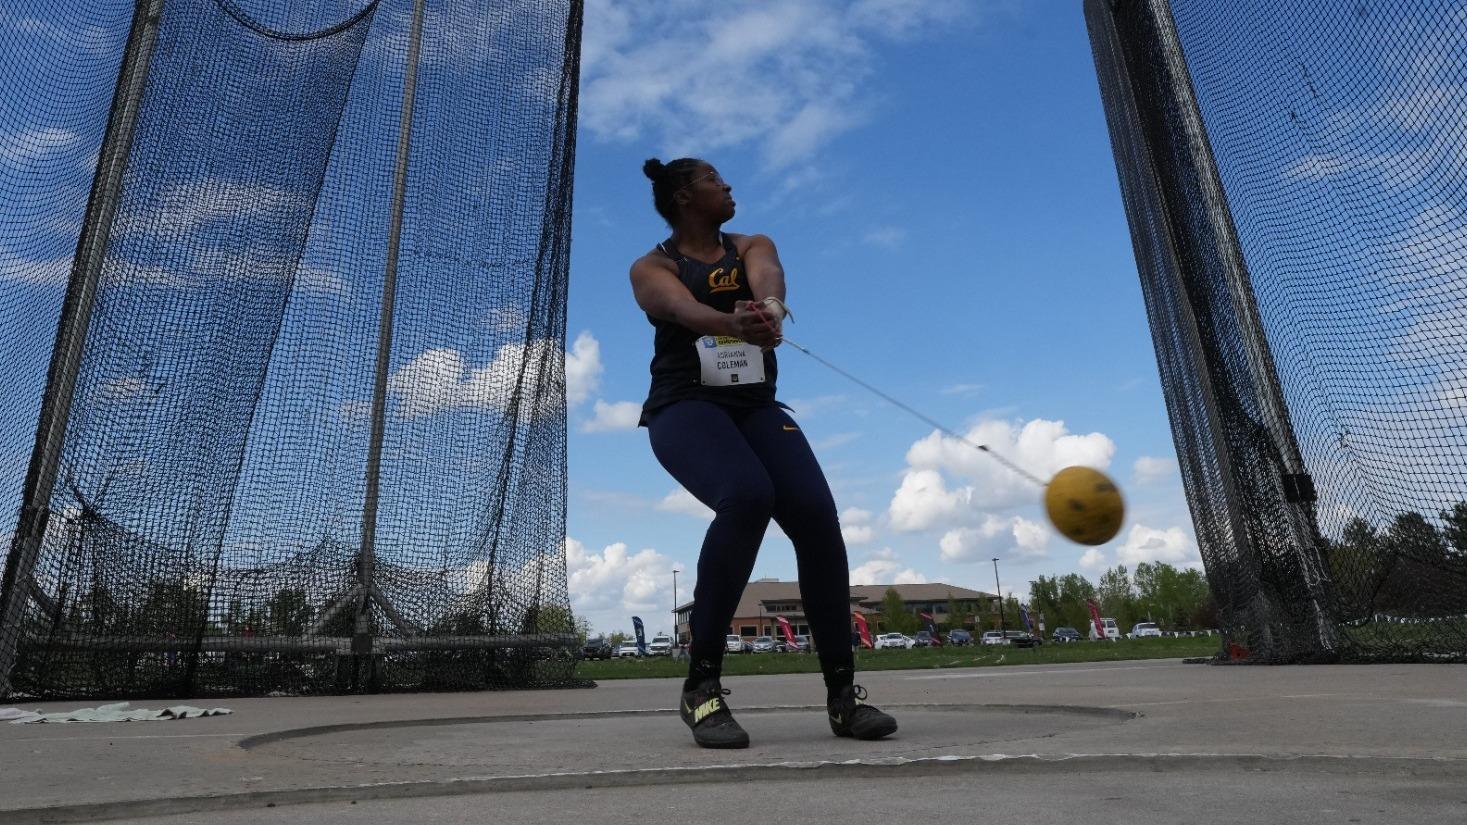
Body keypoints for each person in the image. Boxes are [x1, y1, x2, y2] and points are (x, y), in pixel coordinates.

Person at [630, 157, 898, 749]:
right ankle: (701, 688)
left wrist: (769, 309)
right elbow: (681, 309)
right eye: (713, 180)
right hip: (683, 408)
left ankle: (843, 699)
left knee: (816, 520)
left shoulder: (750, 243)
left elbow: (768, 273)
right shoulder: (652, 267)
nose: (728, 186)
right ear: (682, 197)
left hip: (755, 409)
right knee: (748, 495)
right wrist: (731, 323)